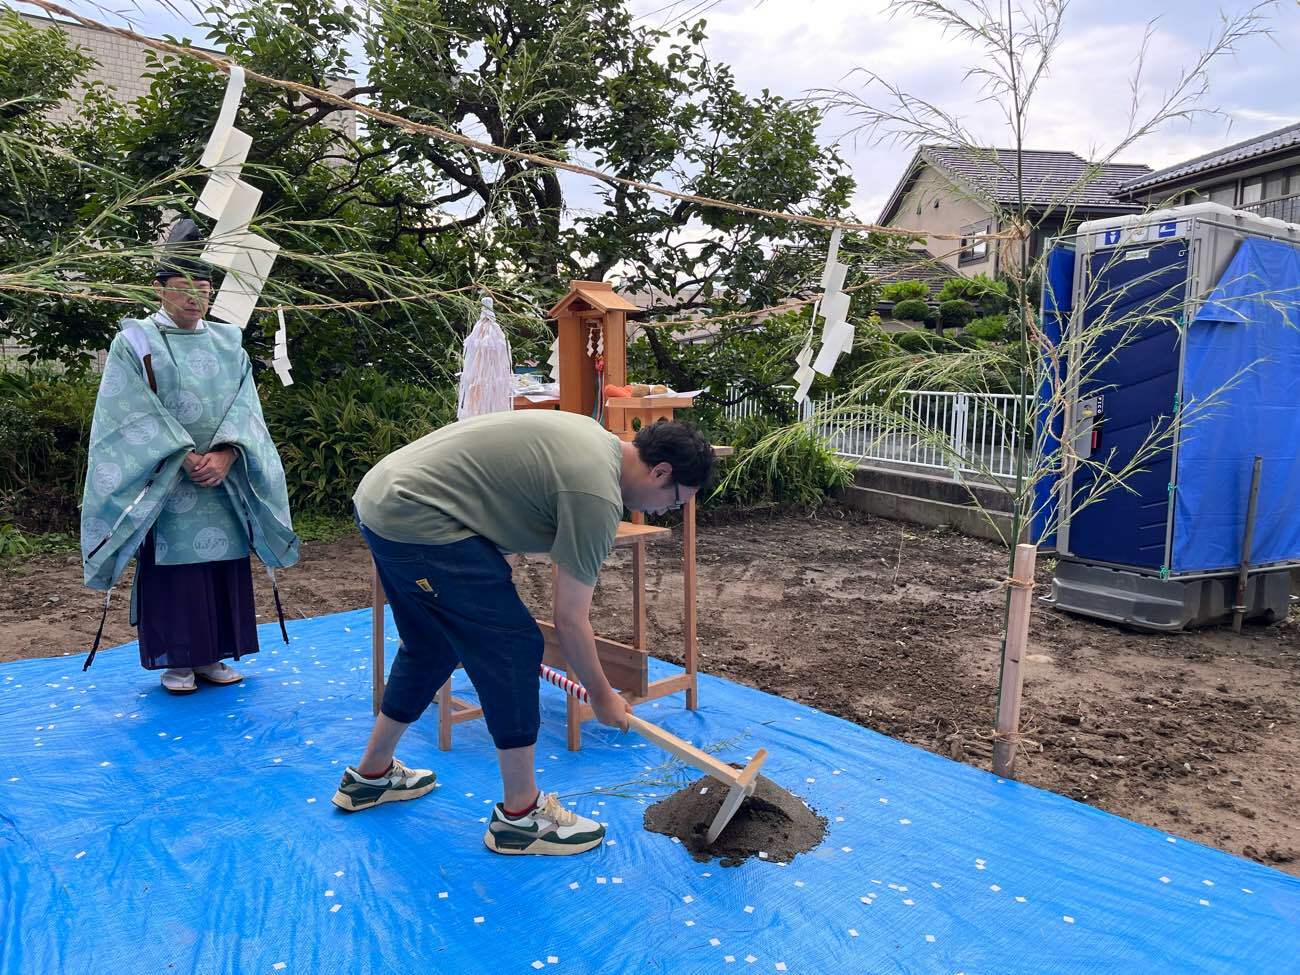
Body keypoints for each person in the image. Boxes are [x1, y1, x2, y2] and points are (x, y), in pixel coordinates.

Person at [334, 411, 714, 856]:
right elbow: (570, 619)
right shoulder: (598, 495)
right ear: (660, 471)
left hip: (383, 498)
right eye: (673, 499)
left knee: (431, 644)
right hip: (418, 516)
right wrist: (603, 694)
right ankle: (520, 817)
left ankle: (370, 777)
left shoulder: (595, 440)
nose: (663, 511)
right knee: (514, 646)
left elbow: (503, 492)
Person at [79, 219, 299, 693]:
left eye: (202, 287)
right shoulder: (135, 340)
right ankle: (178, 659)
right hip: (167, 476)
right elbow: (129, 409)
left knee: (222, 565)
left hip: (222, 478)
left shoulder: (229, 342)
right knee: (175, 569)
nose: (193, 298)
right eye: (181, 288)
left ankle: (216, 654)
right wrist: (182, 456)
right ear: (160, 290)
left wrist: (225, 455)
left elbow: (246, 407)